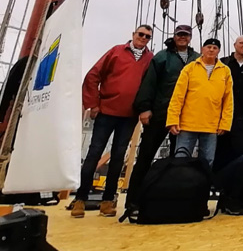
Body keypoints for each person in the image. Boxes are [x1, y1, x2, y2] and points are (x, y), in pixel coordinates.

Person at [72, 25, 154, 218]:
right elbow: (93, 76)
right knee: (94, 154)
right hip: (107, 111)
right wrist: (93, 104)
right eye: (140, 34)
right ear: (133, 35)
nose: (143, 38)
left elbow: (150, 85)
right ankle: (80, 199)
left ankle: (108, 201)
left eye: (147, 37)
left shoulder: (150, 59)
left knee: (118, 158)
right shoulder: (116, 52)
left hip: (130, 116)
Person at [126, 24, 199, 214]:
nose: (182, 38)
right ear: (174, 36)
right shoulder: (161, 57)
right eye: (179, 35)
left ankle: (175, 199)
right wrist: (145, 108)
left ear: (190, 38)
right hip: (161, 113)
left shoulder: (197, 59)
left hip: (186, 117)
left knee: (180, 160)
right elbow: (149, 83)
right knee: (146, 156)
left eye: (186, 35)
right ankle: (133, 201)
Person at [167, 37, 233, 166]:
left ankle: (203, 186)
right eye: (208, 47)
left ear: (218, 51)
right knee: (181, 160)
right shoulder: (190, 68)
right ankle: (179, 186)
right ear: (202, 49)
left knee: (207, 162)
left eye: (215, 48)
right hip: (187, 124)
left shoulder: (225, 71)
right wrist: (172, 120)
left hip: (211, 125)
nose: (211, 50)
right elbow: (178, 96)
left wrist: (225, 123)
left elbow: (228, 100)